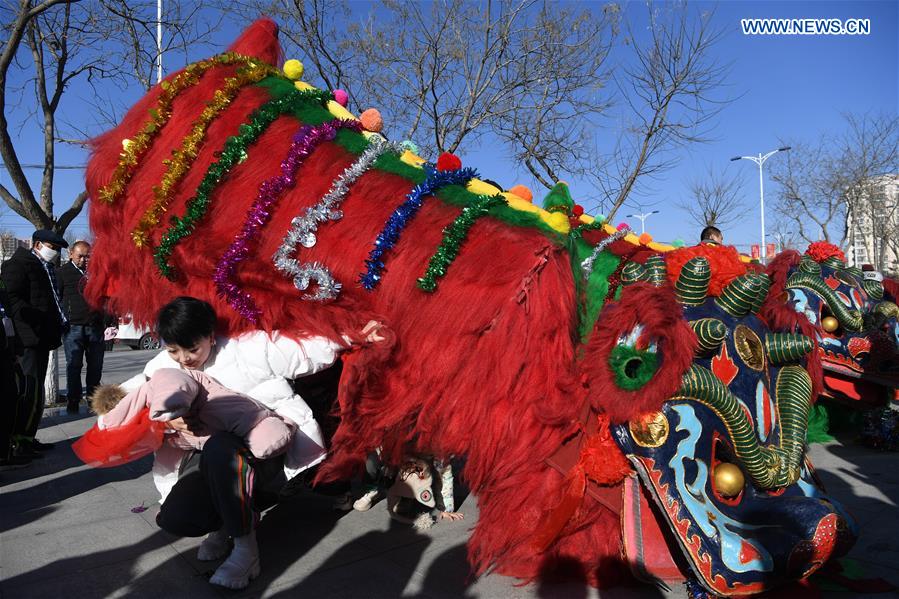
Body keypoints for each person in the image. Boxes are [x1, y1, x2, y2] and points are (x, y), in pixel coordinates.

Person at [120, 297, 343, 590]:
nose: (184, 359)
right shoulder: (163, 365)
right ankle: (225, 524)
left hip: (265, 450)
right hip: (206, 457)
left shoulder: (247, 349)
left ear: (211, 336)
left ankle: (245, 549)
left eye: (192, 349)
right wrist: (164, 422)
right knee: (178, 518)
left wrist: (356, 333)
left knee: (221, 448)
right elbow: (132, 400)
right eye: (174, 350)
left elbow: (307, 351)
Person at [0, 229, 69, 458]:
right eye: (53, 247)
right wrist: (35, 321)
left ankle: (29, 437)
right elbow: (12, 299)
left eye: (58, 249)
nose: (56, 252)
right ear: (38, 244)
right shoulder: (18, 264)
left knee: (37, 392)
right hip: (27, 339)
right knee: (28, 392)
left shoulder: (46, 267)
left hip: (42, 339)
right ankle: (18, 443)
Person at [58, 241, 110, 414]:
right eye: (80, 256)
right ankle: (73, 400)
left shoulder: (97, 273)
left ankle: (93, 401)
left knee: (95, 365)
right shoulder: (62, 273)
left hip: (95, 325)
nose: (84, 260)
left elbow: (107, 298)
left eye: (87, 256)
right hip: (73, 327)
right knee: (74, 365)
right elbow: (56, 298)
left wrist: (109, 321)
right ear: (71, 253)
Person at [0, 280, 28, 469]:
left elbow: (8, 316)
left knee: (8, 402)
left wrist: (15, 349)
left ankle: (4, 454)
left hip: (5, 354)